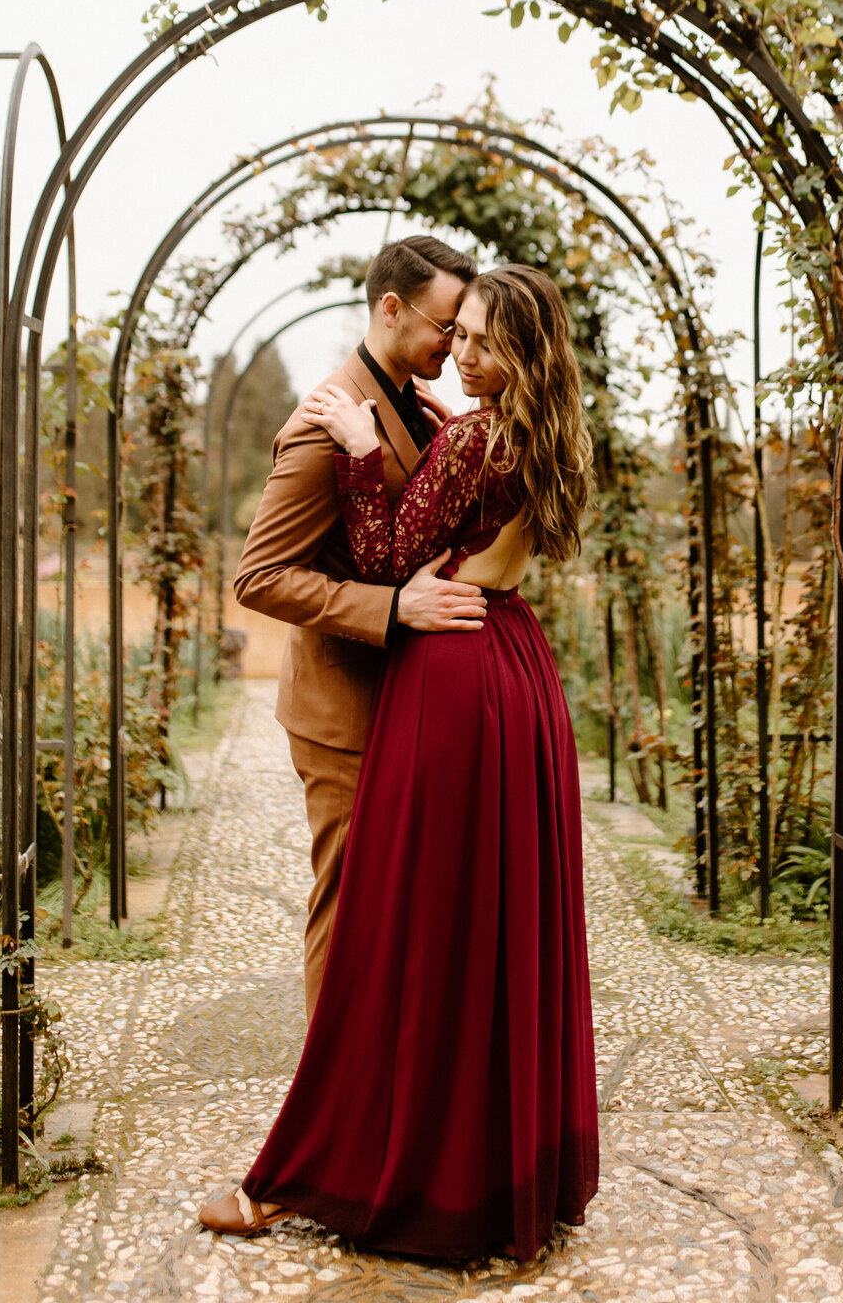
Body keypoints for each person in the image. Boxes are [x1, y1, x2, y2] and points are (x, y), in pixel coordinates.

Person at [202, 264, 599, 1262]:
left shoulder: (466, 435)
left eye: (480, 341)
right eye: (454, 332)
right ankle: (494, 1166)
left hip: (450, 680)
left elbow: (382, 559)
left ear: (521, 353)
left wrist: (361, 449)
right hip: (513, 667)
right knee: (491, 928)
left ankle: (337, 1172)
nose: (461, 353)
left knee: (396, 939)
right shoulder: (549, 435)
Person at [231, 235, 483, 1019]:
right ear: (390, 308)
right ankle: (331, 1104)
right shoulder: (322, 423)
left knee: (396, 913)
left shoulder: (412, 404)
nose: (455, 343)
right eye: (447, 326)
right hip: (342, 713)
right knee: (346, 910)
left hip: (395, 701)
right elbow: (259, 577)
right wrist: (392, 610)